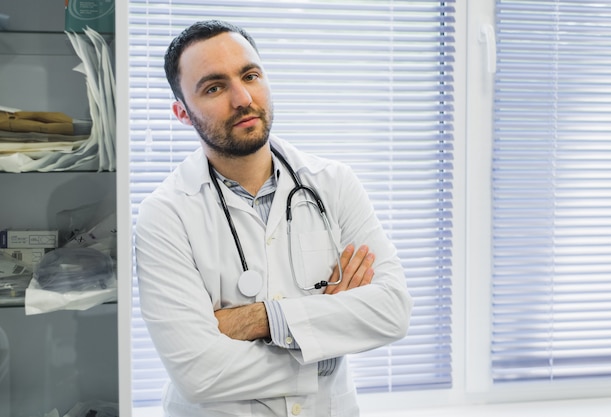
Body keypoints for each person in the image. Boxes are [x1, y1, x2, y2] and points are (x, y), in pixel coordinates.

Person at [134, 19, 413, 417]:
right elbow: (198, 373)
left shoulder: (333, 184)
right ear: (182, 112)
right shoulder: (165, 214)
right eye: (214, 87)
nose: (242, 98)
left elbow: (392, 311)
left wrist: (259, 319)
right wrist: (323, 346)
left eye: (250, 75)